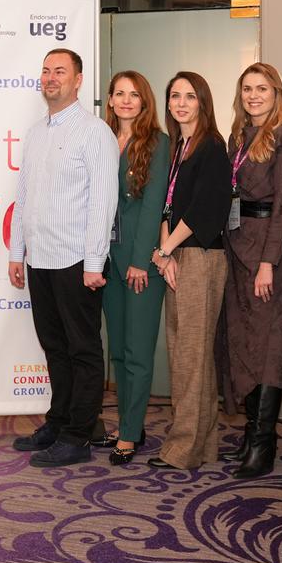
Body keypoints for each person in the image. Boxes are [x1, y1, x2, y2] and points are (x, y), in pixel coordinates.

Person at [9, 48, 117, 468]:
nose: (51, 78)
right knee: (54, 347)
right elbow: (23, 198)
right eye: (46, 71)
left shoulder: (95, 133)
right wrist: (17, 251)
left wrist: (94, 263)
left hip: (76, 261)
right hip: (39, 259)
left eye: (60, 71)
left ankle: (78, 436)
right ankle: (58, 422)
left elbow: (103, 203)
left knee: (83, 350)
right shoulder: (36, 133)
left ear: (78, 80)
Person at [216, 62, 282, 478]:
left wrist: (269, 262)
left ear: (276, 94)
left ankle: (264, 442)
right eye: (247, 88)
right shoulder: (238, 136)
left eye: (262, 88)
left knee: (269, 344)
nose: (253, 96)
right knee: (243, 342)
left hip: (268, 253)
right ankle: (251, 433)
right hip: (236, 248)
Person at [148, 71, 232, 471]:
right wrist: (165, 254)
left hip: (200, 256)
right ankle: (203, 445)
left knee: (191, 357)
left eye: (190, 96)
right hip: (178, 255)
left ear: (203, 102)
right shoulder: (178, 146)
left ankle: (183, 448)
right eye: (175, 96)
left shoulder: (212, 146)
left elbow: (204, 209)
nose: (181, 103)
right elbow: (168, 206)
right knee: (186, 353)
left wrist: (166, 249)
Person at [99, 71, 167, 466]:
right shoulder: (102, 138)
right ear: (109, 99)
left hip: (140, 262)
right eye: (120, 93)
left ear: (144, 101)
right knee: (119, 353)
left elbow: (153, 205)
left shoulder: (157, 142)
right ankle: (130, 424)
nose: (126, 100)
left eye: (134, 94)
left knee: (138, 351)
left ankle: (129, 433)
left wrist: (141, 261)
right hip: (106, 259)